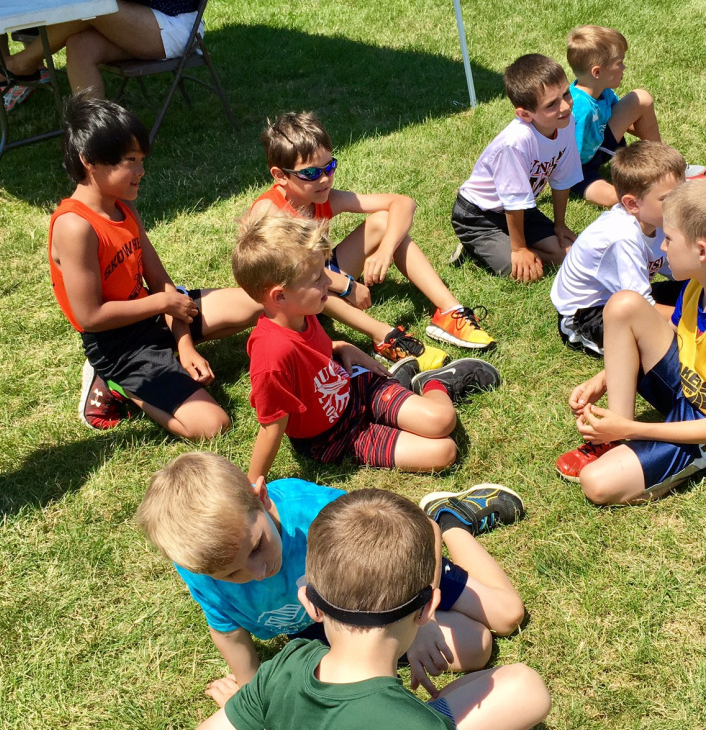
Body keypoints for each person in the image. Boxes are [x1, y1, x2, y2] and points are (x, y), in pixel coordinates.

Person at [181, 489, 592, 730]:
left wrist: (254, 705)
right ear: (427, 609)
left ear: (308, 603)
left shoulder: (282, 671)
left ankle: (450, 524)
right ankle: (455, 524)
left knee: (490, 645)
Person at [137, 452, 528, 706]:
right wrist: (251, 692)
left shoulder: (311, 511)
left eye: (257, 547)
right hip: (336, 621)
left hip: (397, 570)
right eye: (232, 573)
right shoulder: (201, 573)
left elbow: (414, 533)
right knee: (476, 647)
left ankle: (452, 521)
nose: (257, 573)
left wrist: (417, 619)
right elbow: (228, 632)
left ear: (259, 496)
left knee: (508, 615)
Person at [556, 177, 706, 506]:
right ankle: (615, 435)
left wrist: (634, 430)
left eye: (670, 238)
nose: (663, 247)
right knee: (623, 305)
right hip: (694, 386)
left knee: (597, 484)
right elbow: (678, 339)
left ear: (703, 250)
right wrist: (604, 378)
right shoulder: (700, 282)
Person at [232, 211, 500, 482]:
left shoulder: (301, 309)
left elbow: (310, 353)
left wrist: (342, 347)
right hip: (337, 437)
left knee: (442, 420)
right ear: (280, 296)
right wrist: (252, 486)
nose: (329, 282)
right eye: (317, 279)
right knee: (443, 452)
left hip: (359, 386)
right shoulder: (270, 356)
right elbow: (271, 426)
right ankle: (405, 382)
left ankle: (433, 384)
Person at [48, 94, 260, 436]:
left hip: (154, 313)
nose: (141, 170)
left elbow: (161, 281)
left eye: (141, 159)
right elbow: (90, 317)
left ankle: (168, 358)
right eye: (130, 160)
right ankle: (120, 386)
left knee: (257, 302)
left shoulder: (123, 206)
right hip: (117, 344)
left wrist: (184, 343)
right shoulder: (75, 226)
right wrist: (163, 303)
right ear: (90, 160)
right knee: (213, 426)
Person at [251, 113, 495, 371]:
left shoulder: (320, 196)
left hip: (318, 275)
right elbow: (290, 274)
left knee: (383, 222)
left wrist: (386, 250)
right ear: (279, 175)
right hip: (292, 296)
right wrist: (346, 286)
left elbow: (402, 202)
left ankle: (449, 311)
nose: (324, 179)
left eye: (329, 167)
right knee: (313, 280)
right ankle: (384, 336)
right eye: (311, 173)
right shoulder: (270, 211)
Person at [451, 54, 582, 283]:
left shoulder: (566, 122)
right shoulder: (515, 142)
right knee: (527, 274)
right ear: (524, 114)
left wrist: (560, 225)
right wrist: (520, 249)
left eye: (566, 94)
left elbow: (562, 178)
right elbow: (513, 200)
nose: (565, 106)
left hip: (521, 210)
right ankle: (474, 244)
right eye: (551, 104)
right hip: (479, 216)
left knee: (570, 254)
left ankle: (508, 243)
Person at [551, 140, 685, 357]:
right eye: (668, 199)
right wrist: (696, 323)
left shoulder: (658, 218)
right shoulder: (622, 237)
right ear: (632, 204)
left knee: (699, 290)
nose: (680, 203)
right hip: (587, 316)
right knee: (659, 344)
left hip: (625, 297)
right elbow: (644, 308)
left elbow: (680, 273)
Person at [564, 25, 705, 209]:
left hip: (601, 146)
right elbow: (567, 156)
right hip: (579, 171)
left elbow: (626, 120)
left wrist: (646, 131)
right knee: (612, 197)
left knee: (641, 98)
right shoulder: (580, 108)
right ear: (597, 72)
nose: (624, 67)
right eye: (619, 62)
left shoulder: (603, 91)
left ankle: (667, 168)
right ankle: (662, 194)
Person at [0, 0, 202, 99]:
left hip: (176, 25)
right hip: (138, 18)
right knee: (79, 46)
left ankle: (21, 63)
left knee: (89, 5)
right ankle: (94, 144)